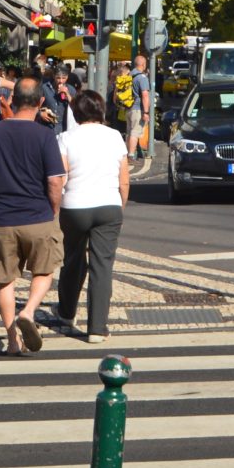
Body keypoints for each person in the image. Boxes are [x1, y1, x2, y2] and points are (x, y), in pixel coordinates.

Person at [0, 75, 66, 355]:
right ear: (39, 102)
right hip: (38, 216)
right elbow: (54, 181)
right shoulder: (45, 136)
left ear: (12, 100)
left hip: (3, 218)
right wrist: (53, 209)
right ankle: (28, 311)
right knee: (44, 271)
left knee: (6, 279)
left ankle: (12, 340)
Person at [55, 88, 131, 342]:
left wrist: (56, 207)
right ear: (101, 110)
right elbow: (124, 180)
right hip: (108, 205)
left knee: (72, 260)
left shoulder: (65, 138)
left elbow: (61, 178)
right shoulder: (115, 137)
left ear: (76, 113)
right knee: (102, 266)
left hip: (75, 206)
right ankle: (97, 328)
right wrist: (119, 208)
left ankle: (66, 312)